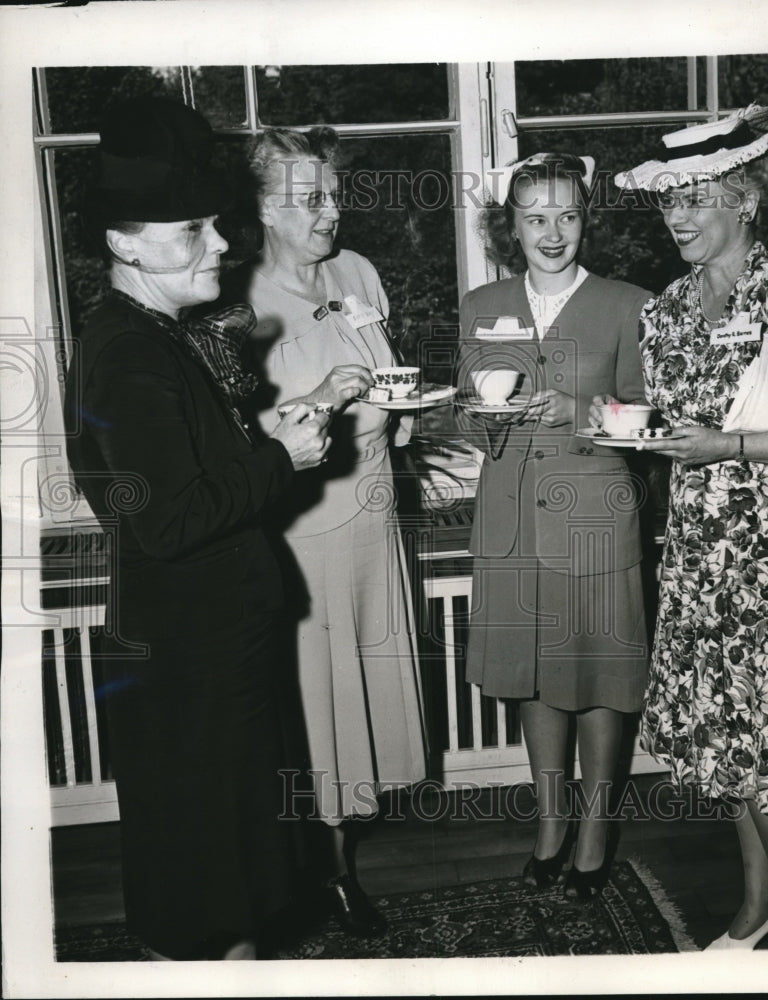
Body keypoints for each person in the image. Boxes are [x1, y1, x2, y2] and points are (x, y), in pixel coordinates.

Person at [64, 96, 331, 961]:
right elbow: (169, 520)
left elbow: (190, 479)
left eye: (213, 224)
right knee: (219, 877)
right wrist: (279, 458)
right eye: (192, 230)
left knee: (230, 867)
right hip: (193, 660)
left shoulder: (153, 334)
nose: (219, 243)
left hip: (205, 647)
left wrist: (272, 439)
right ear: (125, 245)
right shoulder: (128, 355)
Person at [611, 105, 768, 949]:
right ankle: (754, 907)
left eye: (696, 198)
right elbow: (676, 432)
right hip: (696, 551)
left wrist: (731, 443)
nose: (677, 217)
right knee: (726, 733)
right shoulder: (665, 312)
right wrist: (624, 427)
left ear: (745, 200)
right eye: (669, 202)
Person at [220, 127, 426, 936]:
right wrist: (333, 401)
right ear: (263, 209)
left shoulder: (357, 271)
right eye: (310, 199)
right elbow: (247, 441)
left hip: (373, 509)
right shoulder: (237, 300)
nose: (331, 211)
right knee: (314, 700)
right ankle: (328, 869)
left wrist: (397, 409)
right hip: (303, 526)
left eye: (332, 194)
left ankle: (338, 847)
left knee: (362, 688)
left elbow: (389, 372)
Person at [456, 152, 652, 900]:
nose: (552, 230)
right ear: (510, 226)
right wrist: (479, 418)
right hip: (508, 523)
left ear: (584, 220)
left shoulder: (628, 303)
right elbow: (463, 413)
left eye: (566, 214)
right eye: (535, 216)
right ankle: (549, 823)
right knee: (531, 681)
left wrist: (579, 414)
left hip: (595, 521)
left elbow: (646, 419)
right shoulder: (480, 304)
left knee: (601, 681)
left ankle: (596, 829)